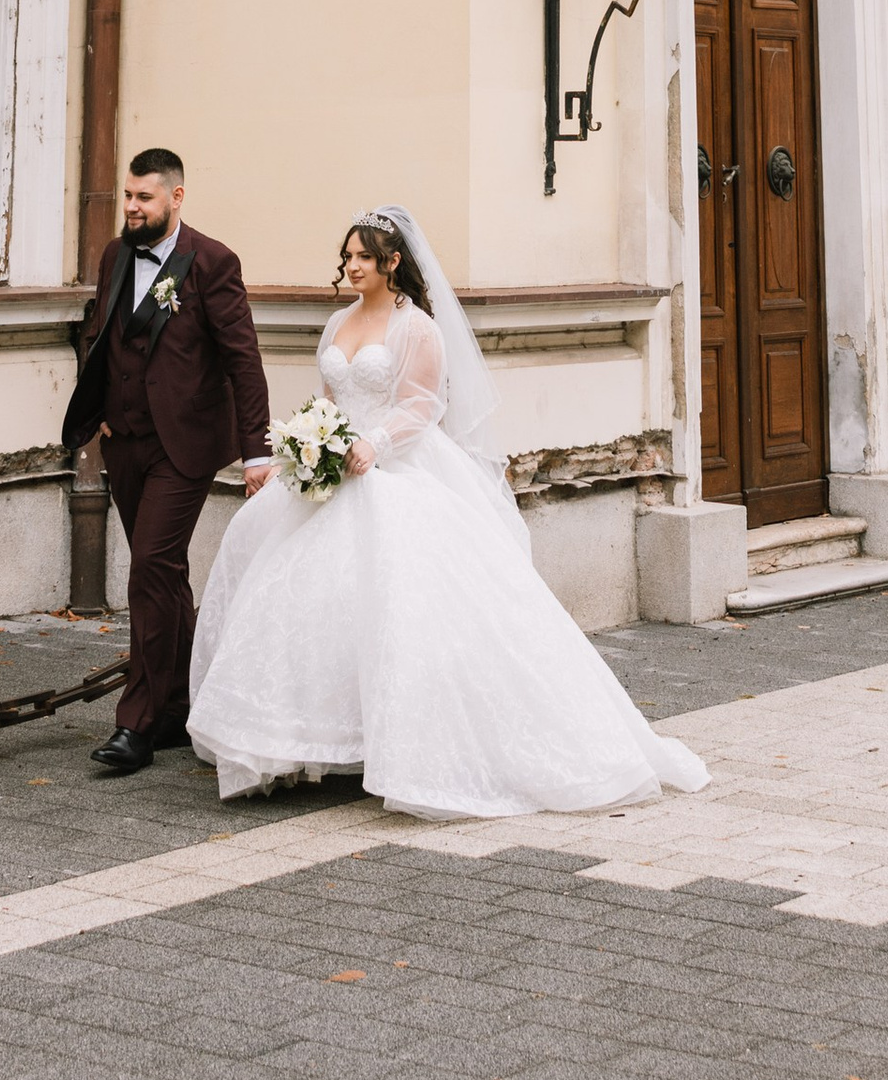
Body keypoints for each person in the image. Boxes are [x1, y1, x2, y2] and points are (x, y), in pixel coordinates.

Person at [187, 205, 709, 820]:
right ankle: (302, 741)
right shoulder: (337, 323)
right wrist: (312, 442)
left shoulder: (418, 329)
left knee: (400, 603)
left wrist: (372, 446)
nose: (351, 267)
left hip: (397, 469)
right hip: (335, 468)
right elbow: (328, 399)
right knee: (301, 595)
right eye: (347, 257)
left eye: (363, 257)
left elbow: (421, 406)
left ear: (393, 262)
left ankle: (404, 742)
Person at [62, 146, 268, 780]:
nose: (131, 207)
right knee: (165, 577)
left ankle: (137, 724)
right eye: (128, 195)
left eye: (144, 198)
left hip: (185, 447)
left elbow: (243, 358)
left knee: (150, 564)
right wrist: (98, 408)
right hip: (123, 440)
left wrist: (257, 449)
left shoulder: (212, 262)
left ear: (176, 198)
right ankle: (181, 705)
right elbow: (103, 333)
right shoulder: (115, 254)